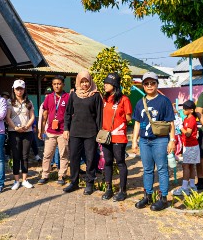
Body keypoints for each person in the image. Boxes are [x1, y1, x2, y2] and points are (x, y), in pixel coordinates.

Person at [133, 72, 176, 211]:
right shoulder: (140, 102)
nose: (149, 86)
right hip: (144, 141)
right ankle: (147, 195)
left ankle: (163, 198)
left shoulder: (164, 101)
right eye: (146, 83)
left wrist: (172, 140)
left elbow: (171, 123)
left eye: (152, 83)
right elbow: (137, 123)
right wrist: (134, 141)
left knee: (162, 168)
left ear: (157, 84)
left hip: (160, 140)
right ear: (143, 85)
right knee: (147, 169)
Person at [63, 70, 102, 195]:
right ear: (78, 82)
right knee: (74, 157)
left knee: (90, 159)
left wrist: (99, 132)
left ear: (90, 81)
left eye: (86, 81)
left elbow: (99, 116)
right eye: (82, 81)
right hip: (75, 132)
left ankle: (89, 183)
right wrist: (66, 129)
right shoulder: (73, 95)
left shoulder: (95, 95)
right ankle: (74, 182)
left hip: (91, 132)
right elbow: (68, 113)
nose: (85, 84)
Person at [100, 73, 132, 201]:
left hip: (118, 137)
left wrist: (119, 125)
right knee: (107, 162)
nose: (105, 85)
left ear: (114, 85)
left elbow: (129, 117)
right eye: (105, 83)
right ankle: (109, 189)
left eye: (107, 83)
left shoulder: (124, 99)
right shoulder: (104, 99)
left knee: (120, 162)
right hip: (105, 136)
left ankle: (122, 191)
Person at [38, 76, 70, 185]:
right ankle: (45, 175)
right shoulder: (49, 97)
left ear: (63, 85)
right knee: (47, 154)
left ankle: (62, 175)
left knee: (63, 154)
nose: (57, 86)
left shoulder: (67, 97)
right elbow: (45, 114)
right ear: (52, 85)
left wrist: (68, 129)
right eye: (55, 84)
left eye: (59, 83)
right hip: (50, 131)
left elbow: (71, 114)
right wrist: (41, 130)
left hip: (63, 131)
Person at [6, 80, 35, 190]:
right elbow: (7, 117)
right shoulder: (10, 102)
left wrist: (27, 126)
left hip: (27, 132)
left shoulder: (29, 102)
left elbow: (32, 116)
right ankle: (16, 180)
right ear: (14, 89)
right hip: (14, 132)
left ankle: (25, 180)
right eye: (17, 88)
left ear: (24, 89)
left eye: (21, 88)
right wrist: (15, 128)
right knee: (16, 156)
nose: (19, 91)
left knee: (25, 156)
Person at [173, 100, 200, 197]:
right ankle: (192, 186)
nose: (183, 110)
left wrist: (180, 127)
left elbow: (188, 133)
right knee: (191, 165)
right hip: (190, 145)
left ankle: (184, 188)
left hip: (190, 146)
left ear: (191, 110)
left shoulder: (191, 119)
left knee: (186, 166)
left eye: (185, 109)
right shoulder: (187, 118)